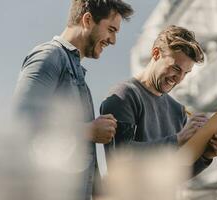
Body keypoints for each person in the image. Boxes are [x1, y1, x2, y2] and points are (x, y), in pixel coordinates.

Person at [12, 0, 133, 199]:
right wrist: (88, 130)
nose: (113, 40)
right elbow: (21, 126)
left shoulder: (79, 78)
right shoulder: (48, 57)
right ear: (87, 20)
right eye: (111, 29)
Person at [100, 25, 217, 176]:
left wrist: (206, 156)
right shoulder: (124, 96)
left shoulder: (177, 110)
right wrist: (177, 140)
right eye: (175, 68)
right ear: (156, 54)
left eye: (186, 73)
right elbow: (121, 156)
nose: (179, 79)